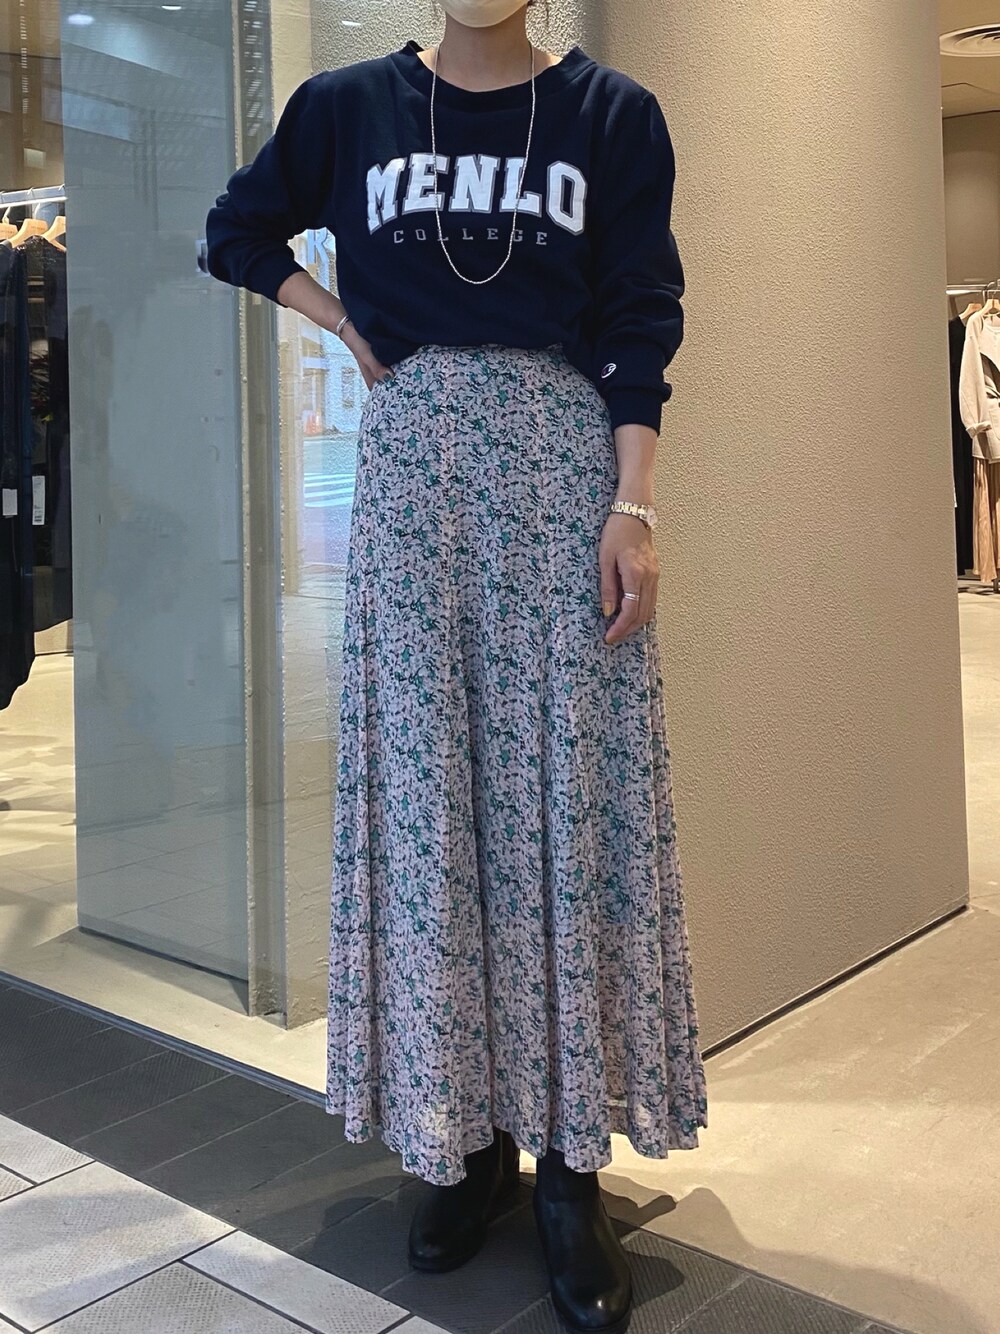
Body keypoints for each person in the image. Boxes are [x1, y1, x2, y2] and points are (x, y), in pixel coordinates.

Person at [205, 1, 708, 1329]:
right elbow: (237, 233)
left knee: (563, 807)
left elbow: (641, 312)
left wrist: (635, 505)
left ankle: (569, 1169)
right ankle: (464, 1138)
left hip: (561, 476)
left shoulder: (609, 115)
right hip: (415, 477)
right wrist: (342, 324)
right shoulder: (349, 108)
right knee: (434, 811)